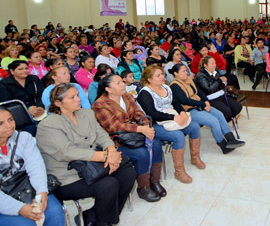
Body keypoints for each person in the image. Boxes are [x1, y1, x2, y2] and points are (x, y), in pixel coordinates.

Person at [37, 83, 137, 226]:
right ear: (58, 103)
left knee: (127, 173)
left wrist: (112, 151)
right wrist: (105, 157)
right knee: (109, 185)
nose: (78, 99)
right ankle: (102, 221)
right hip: (67, 176)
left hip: (91, 165)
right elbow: (66, 152)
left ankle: (95, 216)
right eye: (72, 98)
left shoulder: (86, 113)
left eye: (77, 95)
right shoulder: (48, 125)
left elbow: (101, 134)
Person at [93, 74, 165, 202]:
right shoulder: (100, 104)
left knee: (157, 144)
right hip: (115, 141)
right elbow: (113, 126)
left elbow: (138, 113)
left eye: (122, 81)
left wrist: (146, 125)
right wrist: (139, 129)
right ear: (108, 89)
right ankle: (144, 187)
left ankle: (154, 180)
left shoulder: (127, 97)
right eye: (118, 83)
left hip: (133, 136)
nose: (123, 84)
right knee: (141, 154)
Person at [0, 108, 65, 226]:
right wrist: (20, 208)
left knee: (54, 213)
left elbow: (36, 167)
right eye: (1, 123)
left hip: (28, 188)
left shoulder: (24, 138)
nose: (9, 125)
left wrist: (41, 193)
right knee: (26, 223)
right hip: (4, 200)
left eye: (10, 119)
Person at [137, 66, 201, 184]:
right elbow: (152, 114)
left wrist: (182, 112)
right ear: (149, 79)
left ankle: (195, 157)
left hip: (172, 118)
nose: (162, 77)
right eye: (158, 75)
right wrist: (174, 117)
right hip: (155, 124)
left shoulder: (166, 87)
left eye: (162, 74)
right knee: (178, 136)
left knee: (195, 127)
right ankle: (179, 171)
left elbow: (175, 102)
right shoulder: (145, 93)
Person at [169, 64, 245, 154]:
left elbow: (199, 92)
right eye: (183, 71)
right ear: (175, 73)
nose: (186, 72)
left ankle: (231, 139)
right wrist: (203, 104)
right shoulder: (174, 85)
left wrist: (206, 101)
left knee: (220, 115)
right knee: (214, 121)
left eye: (186, 70)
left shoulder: (188, 80)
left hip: (200, 105)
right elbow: (184, 100)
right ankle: (223, 145)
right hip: (190, 110)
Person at [0, 61, 44, 135]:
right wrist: (28, 109)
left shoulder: (34, 79)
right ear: (12, 71)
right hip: (18, 114)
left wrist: (40, 107)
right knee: (31, 129)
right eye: (20, 69)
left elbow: (41, 95)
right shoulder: (4, 84)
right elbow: (9, 102)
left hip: (37, 110)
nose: (24, 71)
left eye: (26, 68)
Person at [194, 56, 243, 122]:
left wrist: (223, 82)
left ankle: (223, 121)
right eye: (212, 63)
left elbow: (219, 84)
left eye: (215, 63)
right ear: (205, 65)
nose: (214, 65)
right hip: (211, 99)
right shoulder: (200, 75)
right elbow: (209, 89)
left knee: (238, 107)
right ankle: (221, 122)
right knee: (227, 112)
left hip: (220, 95)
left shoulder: (215, 72)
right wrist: (219, 81)